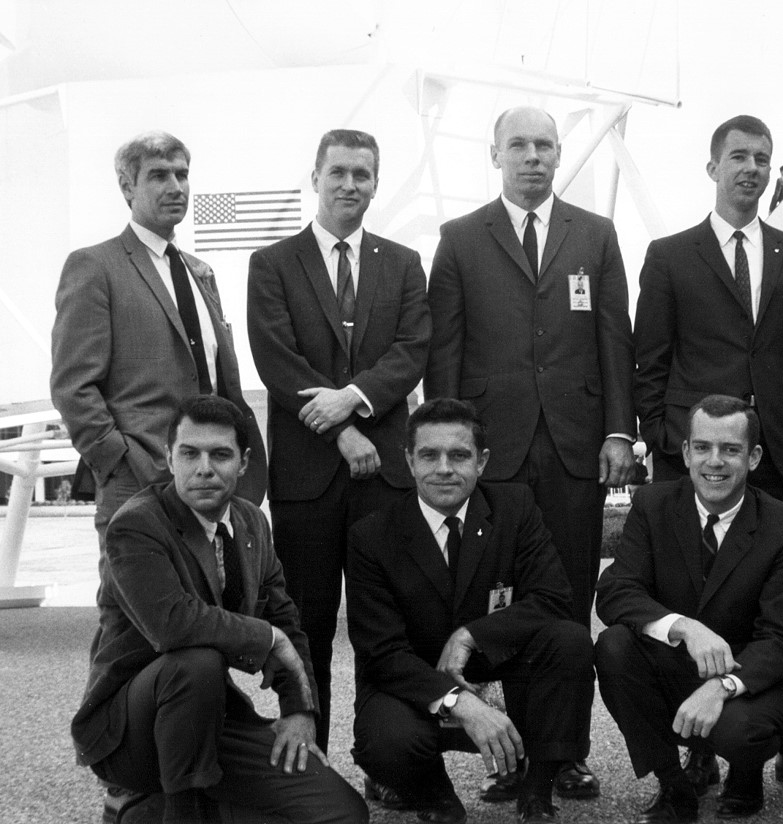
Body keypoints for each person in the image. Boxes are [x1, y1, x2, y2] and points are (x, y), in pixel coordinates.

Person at [425, 105, 636, 799]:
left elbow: (614, 339)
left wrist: (618, 429)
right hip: (495, 453)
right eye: (518, 145)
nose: (533, 156)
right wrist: (451, 450)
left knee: (568, 605)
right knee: (503, 606)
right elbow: (445, 352)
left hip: (575, 450)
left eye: (545, 145)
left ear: (559, 154)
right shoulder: (459, 239)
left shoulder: (596, 235)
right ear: (495, 154)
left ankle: (565, 754)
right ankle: (513, 755)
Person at [632, 114, 783, 792]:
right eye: (739, 157)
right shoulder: (669, 254)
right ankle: (697, 745)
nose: (751, 168)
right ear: (712, 167)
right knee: (700, 598)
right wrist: (668, 443)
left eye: (762, 158)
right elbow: (650, 360)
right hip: (701, 459)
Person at [71, 396, 368, 824]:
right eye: (189, 454)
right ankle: (178, 812)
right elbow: (172, 624)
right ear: (169, 458)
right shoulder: (136, 524)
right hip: (130, 731)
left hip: (209, 720)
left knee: (342, 814)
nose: (204, 468)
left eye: (220, 455)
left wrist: (298, 709)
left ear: (243, 462)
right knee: (196, 662)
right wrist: (265, 638)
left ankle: (150, 811)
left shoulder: (251, 523)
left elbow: (285, 621)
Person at [247, 129, 431, 751]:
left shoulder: (403, 263)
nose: (350, 184)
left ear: (376, 183)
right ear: (316, 177)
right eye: (339, 172)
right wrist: (345, 432)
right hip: (308, 481)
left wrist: (352, 399)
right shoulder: (273, 264)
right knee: (307, 626)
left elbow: (412, 351)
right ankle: (313, 764)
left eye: (362, 174)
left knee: (387, 628)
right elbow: (278, 361)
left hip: (385, 478)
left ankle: (385, 760)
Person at [346, 398, 595, 824]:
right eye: (430, 455)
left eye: (459, 455)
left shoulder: (515, 508)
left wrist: (470, 635)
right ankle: (437, 798)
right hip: (419, 677)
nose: (444, 468)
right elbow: (380, 652)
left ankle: (537, 792)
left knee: (570, 642)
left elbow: (553, 597)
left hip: (497, 661)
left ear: (482, 462)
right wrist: (460, 702)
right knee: (386, 741)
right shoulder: (372, 535)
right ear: (409, 461)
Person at [596, 395, 783, 821]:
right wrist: (684, 627)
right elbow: (615, 590)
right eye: (703, 447)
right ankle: (673, 785)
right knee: (614, 645)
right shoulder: (653, 505)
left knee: (740, 732)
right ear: (686, 453)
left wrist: (722, 687)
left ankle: (746, 775)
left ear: (753, 458)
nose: (714, 462)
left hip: (752, 680)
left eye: (730, 449)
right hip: (681, 663)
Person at [50, 130, 267, 554]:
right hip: (138, 483)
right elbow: (72, 386)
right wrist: (119, 461)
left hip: (210, 484)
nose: (175, 187)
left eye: (182, 175)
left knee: (209, 596)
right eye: (158, 175)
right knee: (135, 598)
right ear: (127, 187)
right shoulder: (95, 267)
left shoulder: (199, 272)